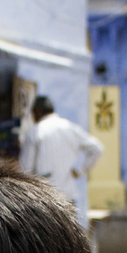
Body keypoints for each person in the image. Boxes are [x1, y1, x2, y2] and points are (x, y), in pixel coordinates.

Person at [21, 95, 104, 226]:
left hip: (43, 201)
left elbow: (25, 170)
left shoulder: (35, 132)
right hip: (67, 199)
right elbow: (97, 148)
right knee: (68, 241)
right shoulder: (70, 128)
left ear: (38, 111)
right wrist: (80, 171)